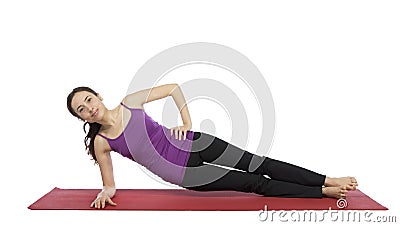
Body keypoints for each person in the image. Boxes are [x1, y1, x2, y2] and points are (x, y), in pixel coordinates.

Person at [66, 84, 358, 209]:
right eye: (81, 109)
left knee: (260, 163)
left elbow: (173, 89)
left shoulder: (131, 100)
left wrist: (185, 121)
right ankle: (320, 192)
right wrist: (105, 193)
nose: (88, 108)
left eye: (88, 100)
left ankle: (327, 179)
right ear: (80, 117)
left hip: (195, 143)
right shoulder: (102, 142)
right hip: (184, 174)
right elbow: (109, 184)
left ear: (98, 96)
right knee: (256, 184)